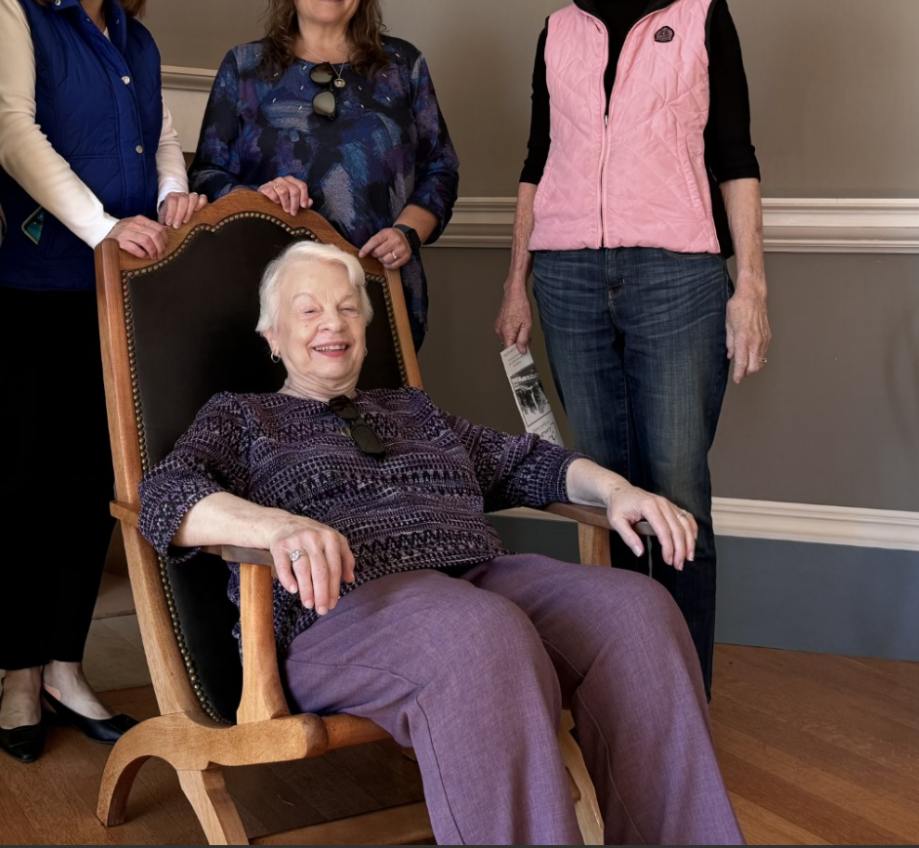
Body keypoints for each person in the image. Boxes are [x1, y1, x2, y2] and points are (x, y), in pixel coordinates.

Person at [138, 242, 744, 846]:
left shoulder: (413, 411)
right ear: (272, 334)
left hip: (479, 582)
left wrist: (616, 491)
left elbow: (528, 462)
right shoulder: (243, 418)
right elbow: (165, 495)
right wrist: (274, 527)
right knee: (476, 632)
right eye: (308, 310)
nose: (333, 324)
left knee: (638, 612)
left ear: (366, 331)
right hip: (341, 613)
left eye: (349, 309)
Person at [494, 0, 771, 692]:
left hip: (676, 278)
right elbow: (538, 160)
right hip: (568, 278)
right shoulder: (557, 32)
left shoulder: (702, 16)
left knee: (677, 481)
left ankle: (680, 692)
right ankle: (621, 684)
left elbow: (734, 154)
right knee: (603, 485)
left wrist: (749, 283)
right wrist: (515, 282)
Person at [0, 0, 206, 764]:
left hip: (112, 298)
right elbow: (7, 129)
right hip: (28, 288)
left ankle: (64, 666)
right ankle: (15, 678)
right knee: (27, 480)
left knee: (86, 487)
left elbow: (164, 140)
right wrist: (103, 224)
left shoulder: (133, 37)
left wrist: (174, 193)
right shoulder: (5, 7)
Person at [189, 0, 459, 347]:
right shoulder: (245, 69)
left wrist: (407, 232)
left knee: (381, 416)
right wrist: (261, 197)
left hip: (382, 294)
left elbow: (440, 170)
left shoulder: (403, 67)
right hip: (277, 303)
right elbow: (206, 175)